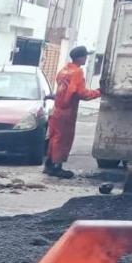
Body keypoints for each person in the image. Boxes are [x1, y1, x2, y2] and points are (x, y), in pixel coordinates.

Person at [45, 45, 100, 179]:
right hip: (67, 111)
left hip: (57, 109)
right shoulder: (77, 72)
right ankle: (57, 167)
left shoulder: (64, 70)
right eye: (85, 56)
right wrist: (98, 92)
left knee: (54, 137)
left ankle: (49, 165)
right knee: (63, 139)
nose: (86, 58)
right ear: (80, 57)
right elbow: (81, 93)